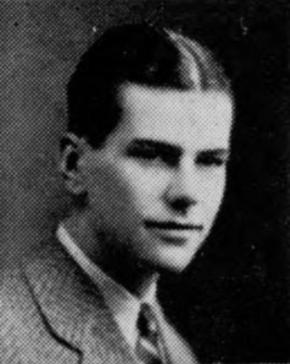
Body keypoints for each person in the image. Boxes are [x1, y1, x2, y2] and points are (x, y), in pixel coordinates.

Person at [0, 23, 234, 363]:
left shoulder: (175, 350)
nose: (188, 193)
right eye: (152, 155)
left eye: (210, 161)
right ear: (74, 164)